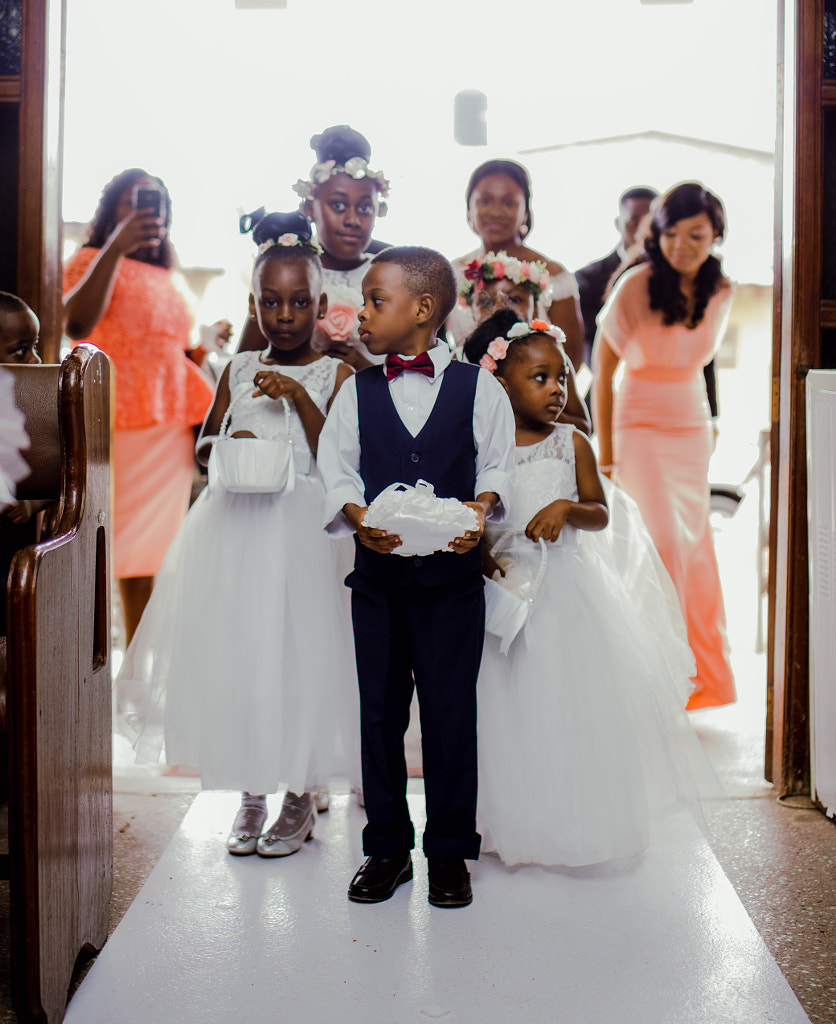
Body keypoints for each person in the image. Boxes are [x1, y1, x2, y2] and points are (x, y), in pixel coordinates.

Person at [117, 213, 358, 857]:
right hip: (241, 529)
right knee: (247, 655)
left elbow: (335, 458)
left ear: (321, 304)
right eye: (272, 302)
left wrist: (297, 399)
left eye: (300, 302)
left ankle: (302, 793)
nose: (285, 315)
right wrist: (231, 443)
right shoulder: (237, 366)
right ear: (254, 304)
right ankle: (253, 789)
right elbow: (203, 445)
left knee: (301, 658)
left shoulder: (335, 375)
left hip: (303, 534)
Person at [466, 314, 716, 866]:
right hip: (507, 590)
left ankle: (574, 821)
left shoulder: (570, 443)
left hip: (566, 592)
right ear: (501, 384)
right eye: (539, 378)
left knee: (568, 704)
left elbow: (600, 513)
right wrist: (487, 560)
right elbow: (475, 518)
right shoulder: (484, 448)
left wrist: (566, 508)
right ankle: (512, 821)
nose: (556, 389)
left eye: (560, 377)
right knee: (506, 710)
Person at [318, 246, 515, 908]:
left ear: (423, 310)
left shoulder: (479, 388)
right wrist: (355, 515)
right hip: (376, 584)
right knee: (379, 715)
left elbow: (496, 465)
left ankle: (450, 851)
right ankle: (387, 849)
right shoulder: (357, 391)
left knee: (451, 715)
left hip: (453, 587)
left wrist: (481, 509)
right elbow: (338, 469)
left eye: (377, 301)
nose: (362, 316)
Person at [593, 182, 736, 711]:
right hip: (639, 426)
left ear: (715, 235)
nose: (681, 245)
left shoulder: (724, 290)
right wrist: (605, 455)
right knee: (661, 546)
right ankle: (653, 679)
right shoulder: (636, 284)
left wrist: (713, 424)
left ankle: (700, 682)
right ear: (658, 233)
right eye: (671, 233)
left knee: (696, 548)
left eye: (695, 234)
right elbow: (603, 372)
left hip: (691, 425)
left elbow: (704, 363)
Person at [63, 169, 215, 645]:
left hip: (170, 422)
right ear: (112, 211)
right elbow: (77, 322)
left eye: (159, 205)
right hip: (116, 418)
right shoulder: (89, 259)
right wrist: (116, 246)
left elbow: (168, 343)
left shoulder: (166, 273)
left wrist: (202, 352)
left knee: (155, 550)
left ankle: (140, 666)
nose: (153, 214)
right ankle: (102, 664)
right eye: (138, 203)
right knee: (114, 545)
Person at [238, 125, 390, 369]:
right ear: (309, 208)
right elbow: (244, 364)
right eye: (338, 205)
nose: (352, 220)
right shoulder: (286, 270)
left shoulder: (390, 276)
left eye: (364, 208)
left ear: (378, 210)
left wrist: (361, 368)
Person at [450, 159, 584, 369]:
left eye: (509, 203)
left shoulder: (554, 274)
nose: (496, 212)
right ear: (469, 208)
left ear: (525, 211)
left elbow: (572, 360)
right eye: (485, 201)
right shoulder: (453, 273)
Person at [457, 251, 591, 435]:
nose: (499, 309)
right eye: (485, 302)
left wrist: (536, 405)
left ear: (535, 310)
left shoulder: (550, 356)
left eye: (514, 299)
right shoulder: (458, 361)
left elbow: (583, 427)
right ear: (472, 310)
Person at [576, 186, 657, 373]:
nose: (643, 229)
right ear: (618, 223)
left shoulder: (679, 277)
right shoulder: (588, 279)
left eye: (650, 221)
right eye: (634, 220)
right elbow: (590, 347)